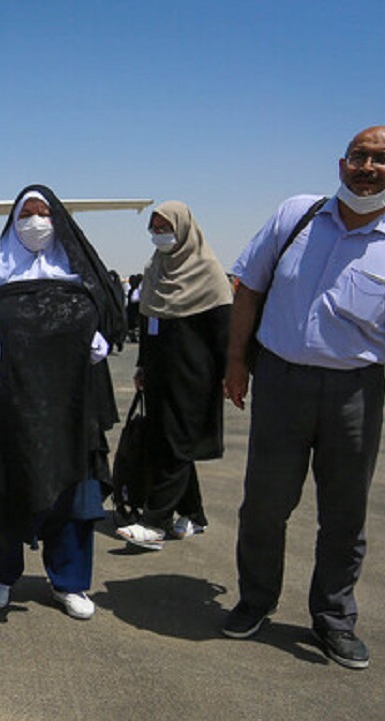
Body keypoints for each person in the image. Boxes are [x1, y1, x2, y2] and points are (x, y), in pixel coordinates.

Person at [222, 126, 385, 669]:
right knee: (264, 505)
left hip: (353, 395)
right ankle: (255, 600)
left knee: (344, 515)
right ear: (340, 164)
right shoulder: (295, 217)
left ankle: (333, 618)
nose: (367, 167)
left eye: (383, 159)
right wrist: (236, 362)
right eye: (359, 156)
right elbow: (250, 289)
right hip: (281, 383)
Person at [0, 185, 126, 620]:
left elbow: (112, 313)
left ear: (58, 219)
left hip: (71, 404)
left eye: (44, 213)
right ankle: (1, 573)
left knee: (75, 489)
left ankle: (69, 581)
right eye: (26, 214)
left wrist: (102, 336)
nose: (35, 222)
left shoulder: (80, 272)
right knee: (6, 484)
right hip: (11, 403)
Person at [115, 201, 232, 550]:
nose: (159, 234)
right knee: (167, 441)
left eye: (165, 227)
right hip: (159, 375)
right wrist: (142, 366)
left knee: (177, 445)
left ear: (183, 228)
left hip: (195, 376)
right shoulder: (156, 270)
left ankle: (155, 522)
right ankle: (193, 514)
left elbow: (223, 335)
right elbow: (150, 323)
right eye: (154, 227)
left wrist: (229, 375)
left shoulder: (208, 274)